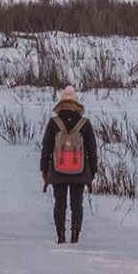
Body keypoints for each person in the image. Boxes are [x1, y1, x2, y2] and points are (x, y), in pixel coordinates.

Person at [39, 85, 98, 244]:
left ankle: (60, 235)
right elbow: (92, 150)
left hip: (57, 171)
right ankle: (75, 235)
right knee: (77, 203)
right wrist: (92, 172)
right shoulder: (85, 124)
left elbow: (46, 148)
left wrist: (44, 170)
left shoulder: (53, 123)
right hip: (79, 171)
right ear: (76, 105)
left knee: (60, 203)